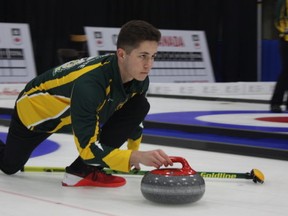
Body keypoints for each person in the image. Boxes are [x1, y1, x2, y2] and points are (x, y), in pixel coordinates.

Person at [0, 20, 173, 187]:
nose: (149, 65)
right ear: (121, 54)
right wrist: (134, 156)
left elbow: (135, 118)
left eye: (153, 56)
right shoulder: (90, 85)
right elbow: (88, 151)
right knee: (10, 166)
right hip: (37, 116)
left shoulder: (139, 79)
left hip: (74, 112)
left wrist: (133, 149)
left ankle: (80, 172)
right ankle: (84, 168)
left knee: (139, 105)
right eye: (143, 56)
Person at [270, 0, 288, 113]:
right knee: (286, 71)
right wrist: (284, 30)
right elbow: (277, 18)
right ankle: (275, 102)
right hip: (286, 40)